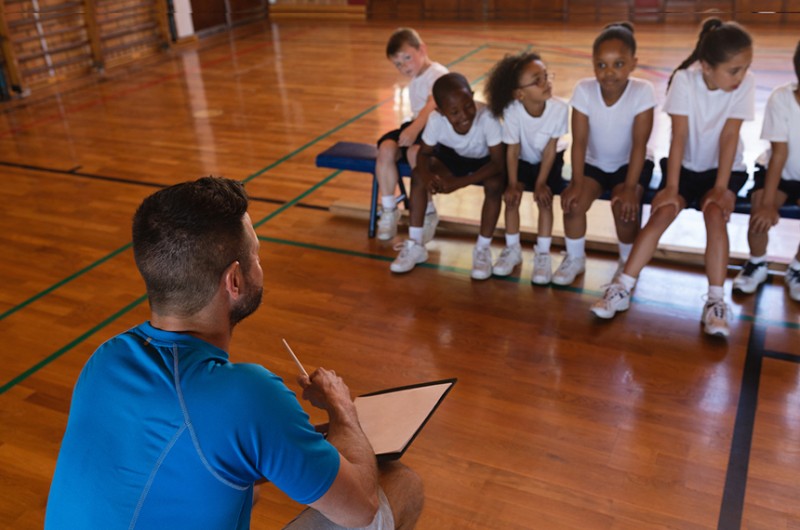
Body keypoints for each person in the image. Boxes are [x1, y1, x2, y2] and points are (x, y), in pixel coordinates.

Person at [45, 177, 424, 530]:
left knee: (247, 486)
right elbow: (361, 508)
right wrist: (343, 410)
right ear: (235, 280)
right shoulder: (248, 393)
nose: (261, 263)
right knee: (400, 484)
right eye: (256, 256)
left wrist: (287, 439)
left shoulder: (104, 359)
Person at [592, 19, 755, 338]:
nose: (742, 76)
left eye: (745, 68)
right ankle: (622, 287)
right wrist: (671, 188)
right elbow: (678, 136)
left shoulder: (743, 85)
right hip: (684, 166)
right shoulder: (684, 79)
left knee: (714, 214)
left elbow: (729, 136)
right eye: (734, 70)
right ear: (707, 67)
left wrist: (721, 189)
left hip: (725, 168)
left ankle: (716, 302)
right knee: (663, 211)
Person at [555, 22, 656, 286]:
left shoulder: (642, 91)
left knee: (625, 209)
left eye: (618, 64)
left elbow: (639, 145)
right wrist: (577, 183)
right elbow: (579, 141)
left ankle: (626, 263)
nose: (609, 72)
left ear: (633, 63)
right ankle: (575, 258)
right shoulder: (584, 90)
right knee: (573, 205)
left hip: (631, 164)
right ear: (593, 65)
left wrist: (631, 187)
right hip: (594, 163)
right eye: (601, 65)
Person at [390, 72, 506, 279]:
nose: (464, 115)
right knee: (417, 175)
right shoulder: (435, 120)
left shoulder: (487, 117)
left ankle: (482, 249)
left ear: (472, 95)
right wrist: (426, 177)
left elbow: (498, 162)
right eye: (454, 112)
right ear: (441, 112)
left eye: (468, 105)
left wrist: (459, 183)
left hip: (486, 162)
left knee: (496, 185)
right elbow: (424, 153)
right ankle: (416, 245)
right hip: (455, 157)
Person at [484, 52, 569, 283]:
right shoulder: (513, 111)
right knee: (510, 198)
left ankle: (542, 254)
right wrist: (512, 184)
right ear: (519, 94)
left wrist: (541, 183)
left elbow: (551, 149)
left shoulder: (559, 109)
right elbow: (512, 149)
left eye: (545, 76)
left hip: (549, 160)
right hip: (521, 158)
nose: (546, 82)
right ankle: (513, 249)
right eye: (537, 80)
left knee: (545, 199)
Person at [732, 40, 800, 301]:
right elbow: (779, 153)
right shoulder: (781, 99)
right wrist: (769, 203)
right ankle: (757, 262)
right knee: (759, 211)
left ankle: (797, 268)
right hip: (776, 171)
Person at [376, 28, 449, 241]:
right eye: (398, 64)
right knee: (386, 149)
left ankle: (428, 211)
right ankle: (389, 209)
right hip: (417, 124)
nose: (404, 66)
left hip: (435, 128)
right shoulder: (416, 76)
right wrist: (412, 127)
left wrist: (414, 129)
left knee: (416, 153)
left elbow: (432, 104)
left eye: (407, 58)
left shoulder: (437, 73)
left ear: (422, 49)